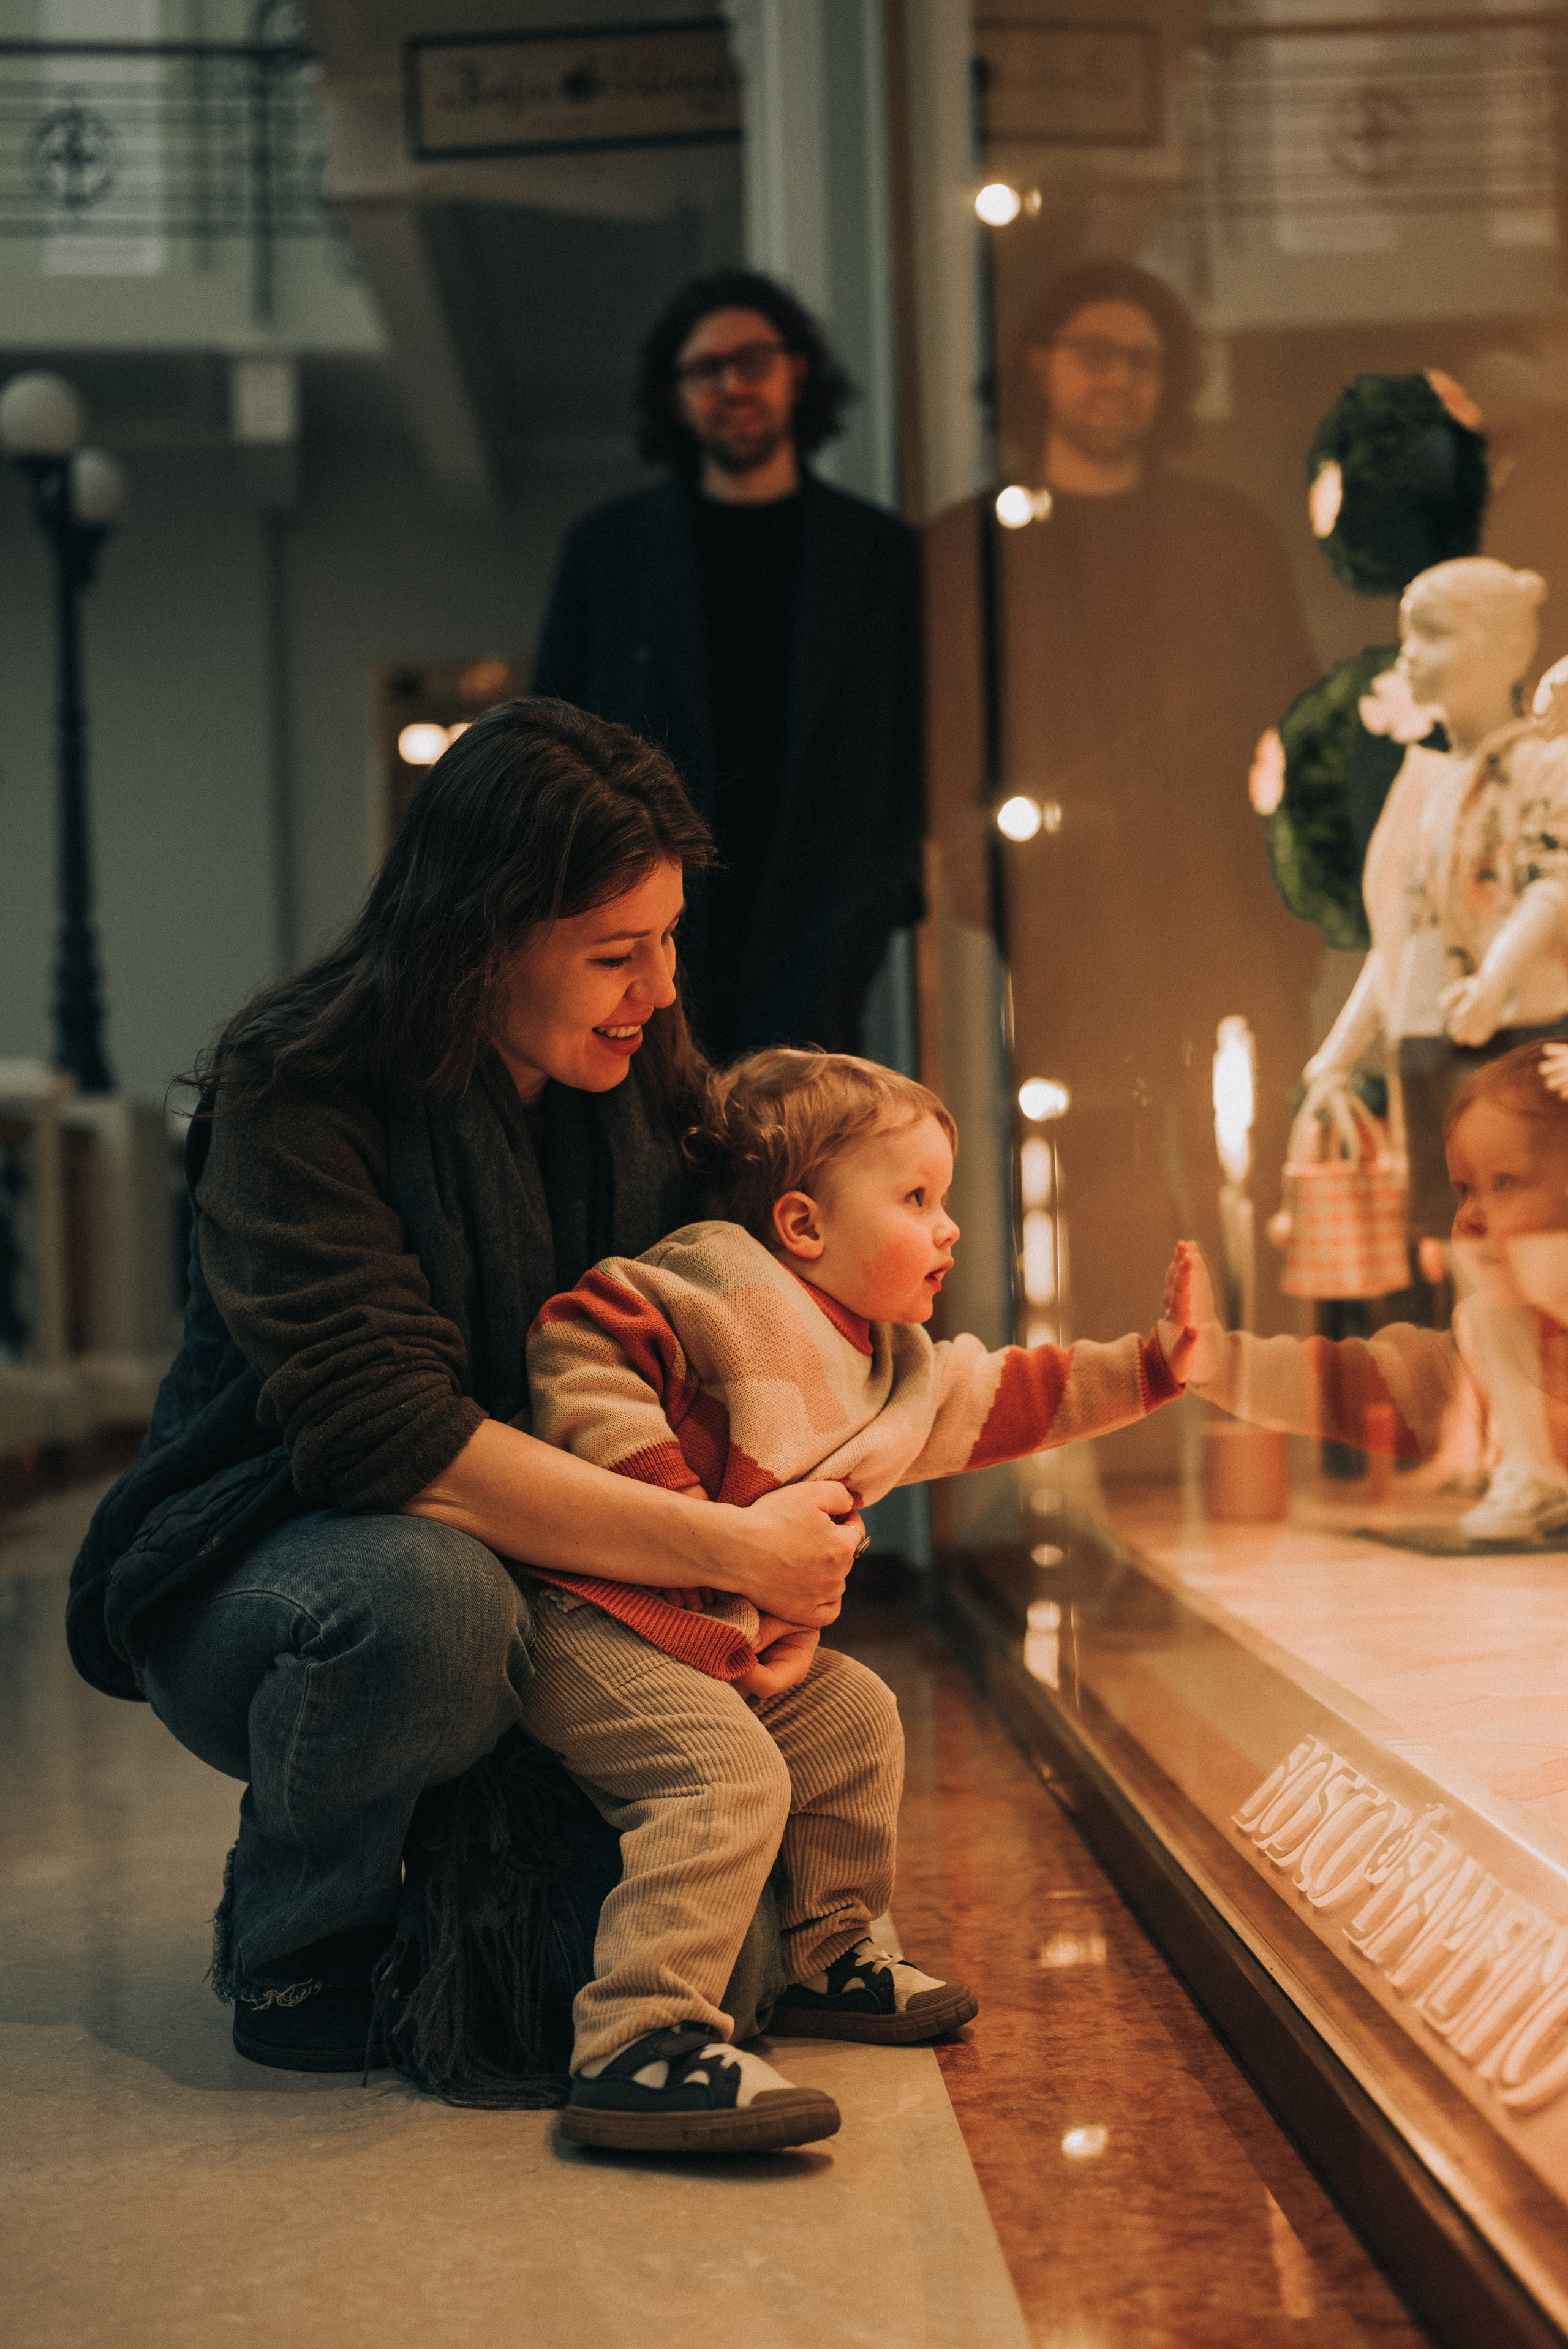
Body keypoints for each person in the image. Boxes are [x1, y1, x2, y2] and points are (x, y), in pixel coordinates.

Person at [65, 699, 864, 2081]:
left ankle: (464, 1895)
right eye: (617, 954)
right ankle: (298, 1942)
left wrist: (767, 1586)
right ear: (481, 934)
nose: (660, 990)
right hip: (274, 1575)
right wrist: (733, 1551)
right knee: (431, 1604)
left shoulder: (636, 1079)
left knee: (728, 1920)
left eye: (669, 940)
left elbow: (735, 1356)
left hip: (552, 1570)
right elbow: (401, 1445)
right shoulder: (297, 1091)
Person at [519, 1047, 1208, 2153]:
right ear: (801, 1224)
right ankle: (636, 2043)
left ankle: (823, 1956)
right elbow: (578, 1345)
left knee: (854, 1718)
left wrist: (1156, 1364)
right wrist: (685, 1520)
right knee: (724, 1774)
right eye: (918, 1199)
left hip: (712, 1641)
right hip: (599, 1624)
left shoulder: (892, 1366)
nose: (950, 1230)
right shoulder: (716, 1281)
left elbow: (1013, 1395)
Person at [997, 260, 1319, 1476]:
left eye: (1138, 360)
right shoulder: (989, 541)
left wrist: (1290, 903)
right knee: (1108, 1189)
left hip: (1227, 918)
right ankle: (1132, 1465)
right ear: (1039, 364)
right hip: (1074, 931)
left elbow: (1284, 726)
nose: (1114, 380)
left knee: (1258, 1178)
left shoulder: (1222, 530)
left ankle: (1272, 1450)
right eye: (1091, 353)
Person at [532, 269, 924, 1062]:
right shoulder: (607, 547)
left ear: (797, 371)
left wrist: (889, 893)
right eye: (705, 369)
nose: (732, 385)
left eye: (753, 361)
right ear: (674, 395)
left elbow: (917, 742)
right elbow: (548, 744)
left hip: (826, 906)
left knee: (801, 1140)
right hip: (643, 901)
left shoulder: (879, 552)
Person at [1302, 560, 1568, 1537]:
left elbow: (1555, 881)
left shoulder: (1545, 762)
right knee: (1480, 1269)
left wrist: (1498, 976)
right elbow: (1400, 936)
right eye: (1411, 634)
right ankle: (1533, 1469)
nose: (1414, 656)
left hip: (1523, 1040)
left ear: (1506, 648)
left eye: (1440, 634)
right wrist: (1343, 1049)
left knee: (1552, 1258)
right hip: (1439, 1050)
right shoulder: (1426, 781)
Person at [1175, 1044, 1568, 1507]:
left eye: (1504, 1182)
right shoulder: (1485, 1336)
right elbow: (1351, 1382)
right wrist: (1223, 1363)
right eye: (1463, 1191)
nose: (1468, 1218)